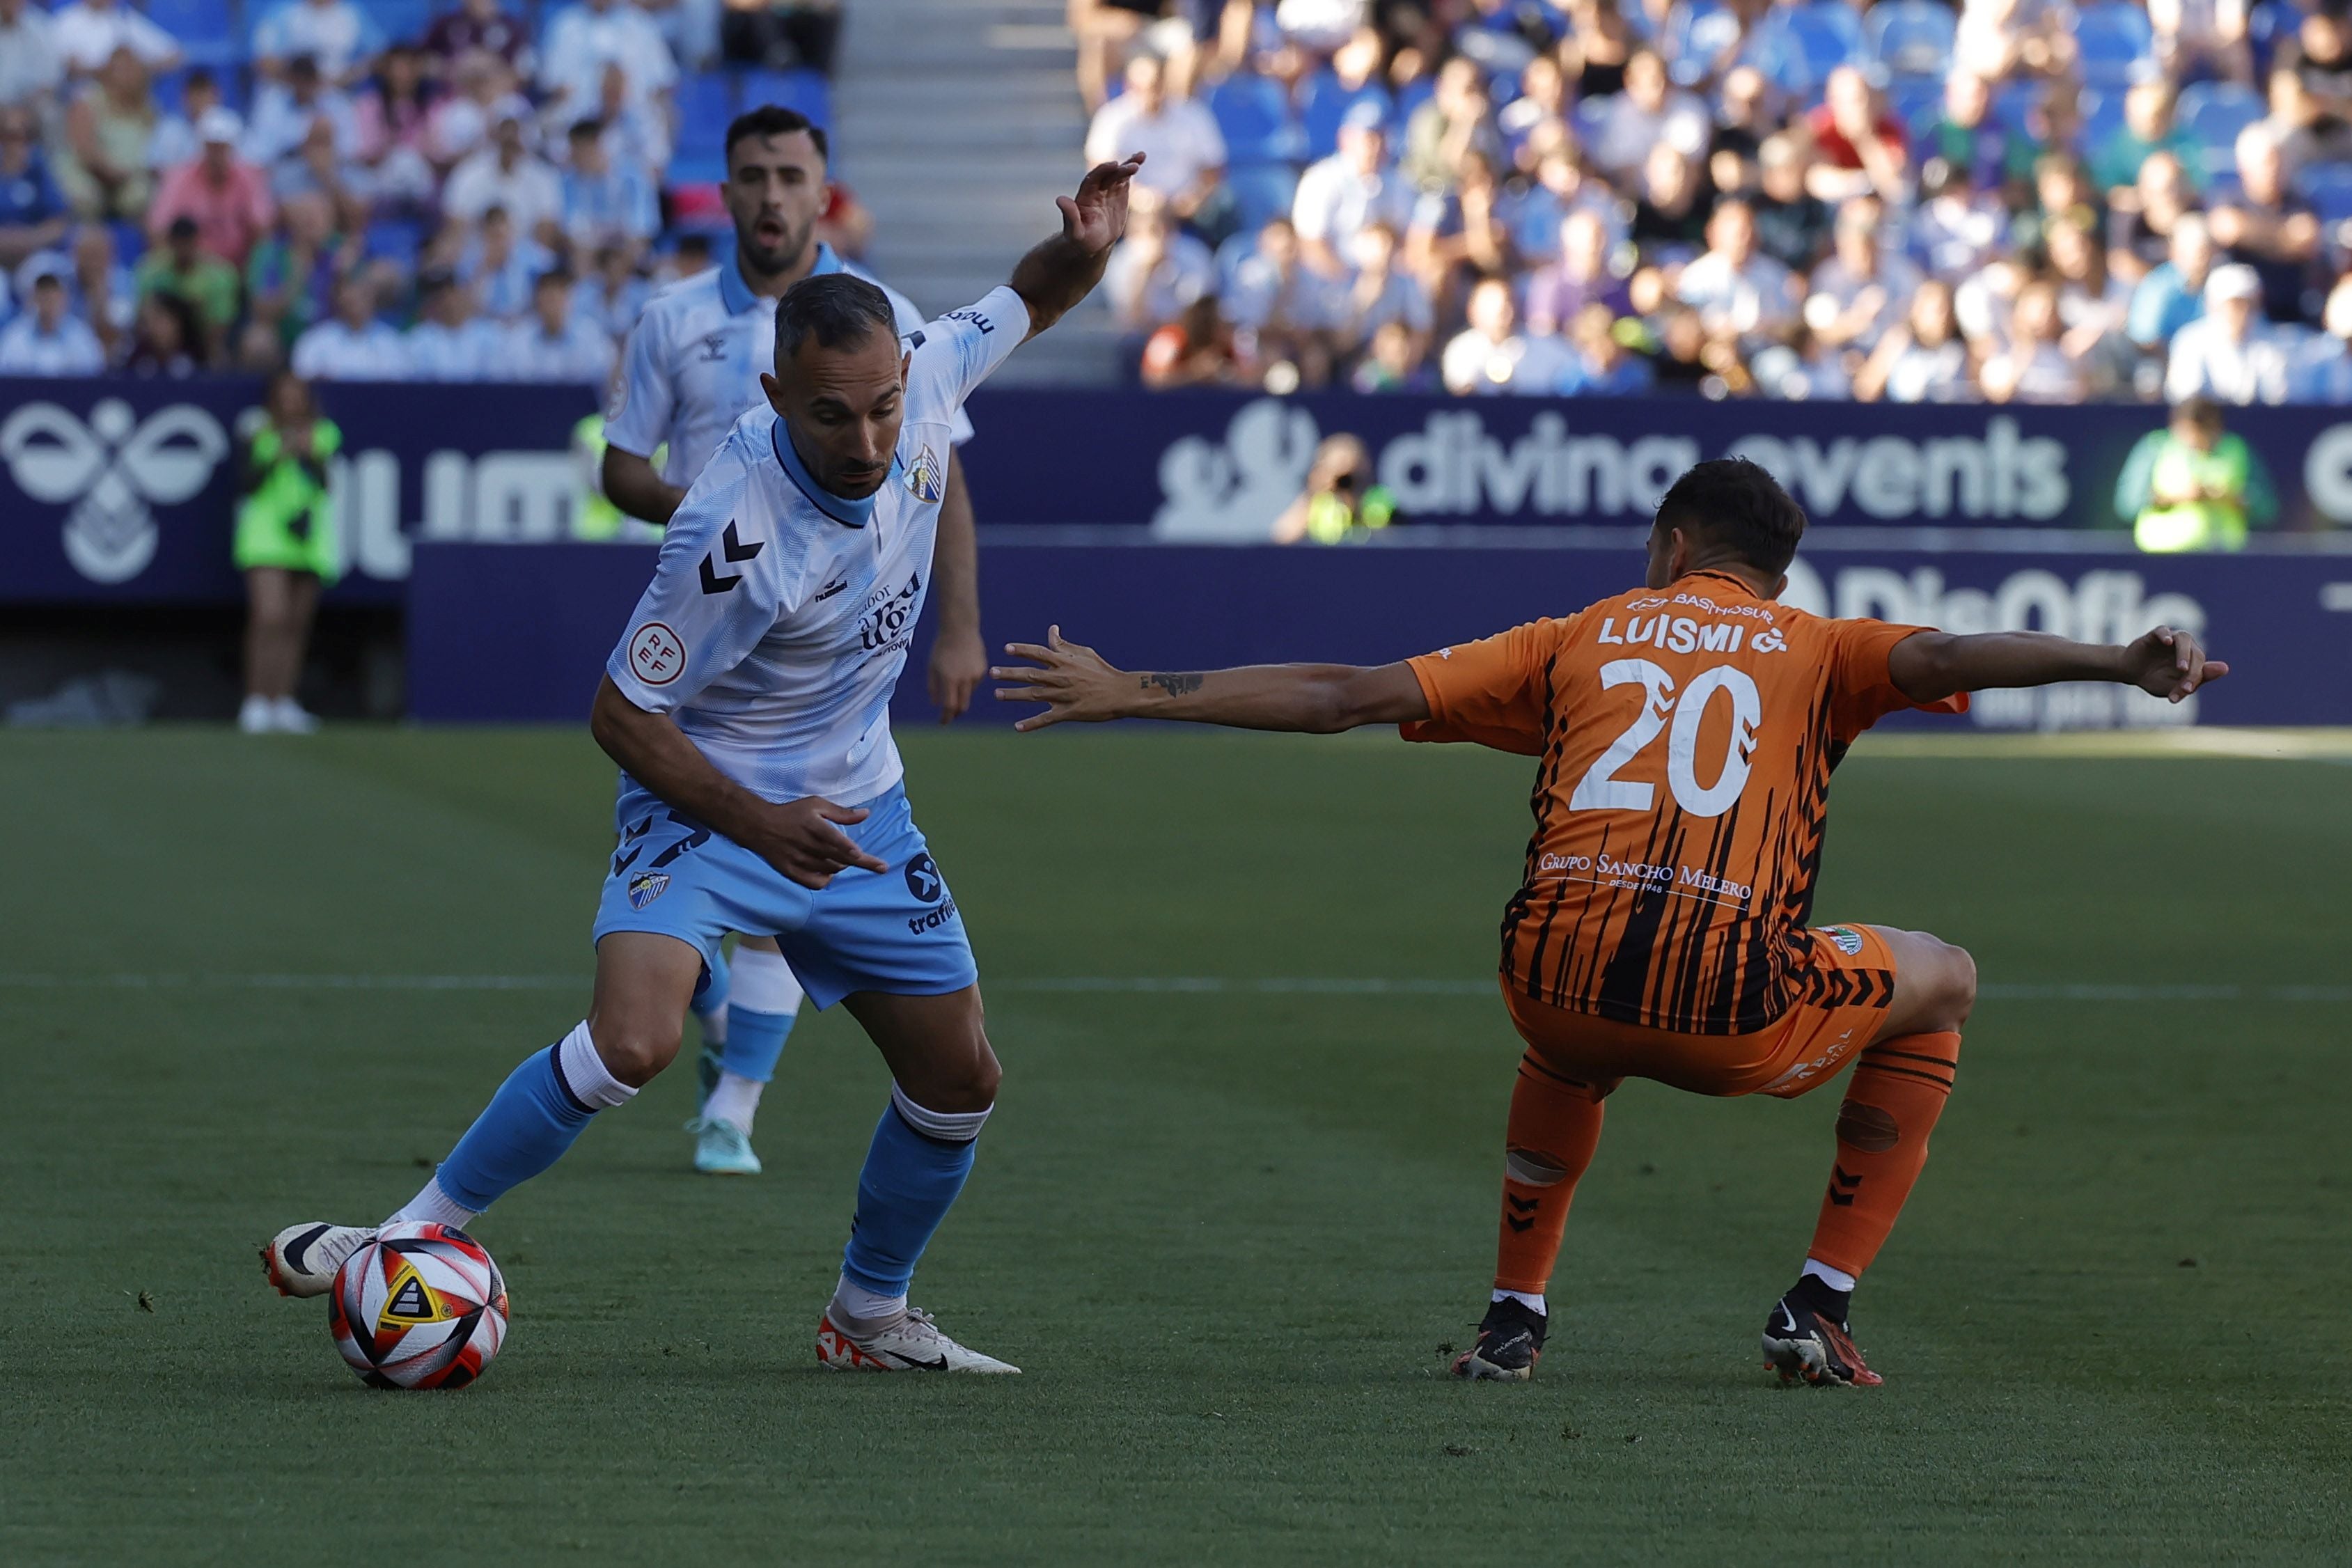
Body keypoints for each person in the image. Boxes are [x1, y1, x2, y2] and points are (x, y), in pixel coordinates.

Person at [991, 457, 2229, 1387]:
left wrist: (1131, 691)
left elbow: (1342, 695)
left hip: (1547, 986)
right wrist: (2118, 665)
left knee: (1569, 988)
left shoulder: (1579, 634)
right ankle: (1820, 1297)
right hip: (1729, 1015)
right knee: (1943, 976)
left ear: (1671, 540)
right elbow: (1948, 651)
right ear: (1773, 576)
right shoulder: (1817, 648)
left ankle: (1511, 1317)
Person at [259, 152, 1147, 1377]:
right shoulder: (729, 533)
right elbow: (622, 714)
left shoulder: (925, 372)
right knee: (635, 1042)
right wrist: (758, 820)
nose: (867, 437)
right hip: (707, 798)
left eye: (884, 406)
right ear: (779, 393)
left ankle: (867, 1316)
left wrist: (1090, 242)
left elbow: (1031, 293)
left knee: (961, 1081)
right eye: (831, 414)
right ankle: (410, 1230)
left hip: (860, 807)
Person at [603, 104, 994, 1175]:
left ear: (823, 193)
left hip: (818, 664)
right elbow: (620, 470)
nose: (771, 195)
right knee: (709, 909)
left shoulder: (890, 317)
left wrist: (958, 625)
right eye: (751, 176)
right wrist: (728, 521)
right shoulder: (668, 322)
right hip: (707, 632)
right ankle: (705, 995)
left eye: (790, 176)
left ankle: (733, 1109)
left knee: (797, 872)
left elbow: (938, 475)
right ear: (722, 194)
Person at [234, 370, 340, 734]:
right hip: (266, 536)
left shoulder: (323, 433)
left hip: (308, 538)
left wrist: (308, 453)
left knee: (296, 624)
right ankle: (256, 698)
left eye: (297, 394)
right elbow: (248, 483)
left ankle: (282, 699)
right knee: (270, 617)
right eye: (285, 393)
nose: (291, 400)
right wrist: (278, 452)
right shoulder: (257, 431)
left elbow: (326, 483)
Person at [2112, 395, 2278, 552]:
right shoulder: (2155, 447)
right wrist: (2177, 497)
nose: (2195, 440)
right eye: (2188, 431)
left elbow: (2266, 507)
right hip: (2162, 556)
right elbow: (2129, 503)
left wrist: (2226, 497)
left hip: (2224, 556)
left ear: (2217, 428)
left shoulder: (2237, 449)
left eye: (2205, 431)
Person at [2165, 262, 2292, 405]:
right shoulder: (2189, 341)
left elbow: (2276, 400)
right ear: (2213, 305)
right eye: (2233, 305)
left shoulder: (2272, 344)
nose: (2241, 313)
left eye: (2247, 304)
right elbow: (2187, 401)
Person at [1272, 432, 1396, 544]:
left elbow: (1392, 544)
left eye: (1351, 472)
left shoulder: (1380, 501)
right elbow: (1282, 537)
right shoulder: (1317, 503)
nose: (1345, 480)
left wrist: (1355, 502)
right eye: (1338, 475)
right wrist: (1312, 493)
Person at [507, 265, 617, 383]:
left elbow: (608, 375)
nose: (552, 300)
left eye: (558, 292)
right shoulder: (520, 338)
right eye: (546, 294)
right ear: (537, 300)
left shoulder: (589, 334)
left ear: (569, 298)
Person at [0, 260, 105, 372]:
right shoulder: (13, 338)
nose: (48, 304)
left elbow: (95, 376)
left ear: (65, 299)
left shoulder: (82, 338)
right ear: (32, 299)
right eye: (43, 297)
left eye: (53, 297)